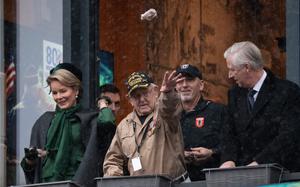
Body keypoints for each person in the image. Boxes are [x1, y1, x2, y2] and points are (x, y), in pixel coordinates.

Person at [21, 63, 116, 186]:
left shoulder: (89, 119)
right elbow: (31, 171)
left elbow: (108, 123)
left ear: (76, 90)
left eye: (63, 91)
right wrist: (30, 159)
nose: (59, 97)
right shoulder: (44, 121)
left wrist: (103, 103)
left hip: (78, 184)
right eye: (54, 93)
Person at [220, 41, 300, 172]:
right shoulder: (234, 94)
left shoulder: (287, 91)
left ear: (247, 67)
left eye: (232, 69)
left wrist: (259, 163)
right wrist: (228, 160)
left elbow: (289, 135)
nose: (230, 75)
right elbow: (229, 132)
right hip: (243, 175)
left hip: (280, 174)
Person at [103, 71, 188, 182]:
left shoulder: (165, 115)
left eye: (145, 93)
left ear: (155, 91)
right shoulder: (124, 125)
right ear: (130, 100)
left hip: (172, 185)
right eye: (136, 96)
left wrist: (167, 92)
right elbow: (113, 160)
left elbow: (169, 107)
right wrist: (115, 180)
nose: (142, 99)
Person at [175, 64, 226, 181]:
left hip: (213, 181)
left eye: (190, 80)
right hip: (178, 181)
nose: (184, 85)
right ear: (175, 87)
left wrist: (212, 152)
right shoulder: (170, 117)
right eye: (179, 81)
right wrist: (180, 156)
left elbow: (232, 145)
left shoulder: (217, 111)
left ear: (201, 85)